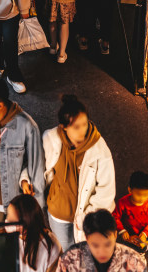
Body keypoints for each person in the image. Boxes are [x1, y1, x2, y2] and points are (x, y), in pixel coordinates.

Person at [44, 95, 116, 251]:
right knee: (64, 254)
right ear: (64, 127)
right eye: (76, 127)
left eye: (84, 124)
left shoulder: (100, 150)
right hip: (58, 214)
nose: (82, 130)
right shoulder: (50, 138)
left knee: (84, 255)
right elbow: (37, 166)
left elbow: (106, 191)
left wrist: (87, 217)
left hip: (86, 220)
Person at [0, 78, 45, 227]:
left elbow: (36, 168)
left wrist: (37, 210)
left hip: (16, 201)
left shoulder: (27, 126)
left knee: (19, 246)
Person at [57, 209, 147, 272]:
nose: (102, 252)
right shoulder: (69, 259)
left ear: (115, 235)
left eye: (108, 244)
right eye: (95, 245)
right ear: (86, 238)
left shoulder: (135, 262)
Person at [6, 194, 62, 272]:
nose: (6, 221)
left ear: (26, 221)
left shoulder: (51, 247)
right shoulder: (6, 239)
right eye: (7, 215)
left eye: (12, 220)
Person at [112, 171, 148, 253]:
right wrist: (122, 230)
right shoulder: (122, 202)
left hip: (144, 232)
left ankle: (141, 254)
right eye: (138, 194)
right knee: (126, 249)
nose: (142, 198)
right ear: (130, 190)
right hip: (127, 232)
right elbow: (115, 216)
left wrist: (145, 233)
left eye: (146, 195)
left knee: (141, 247)